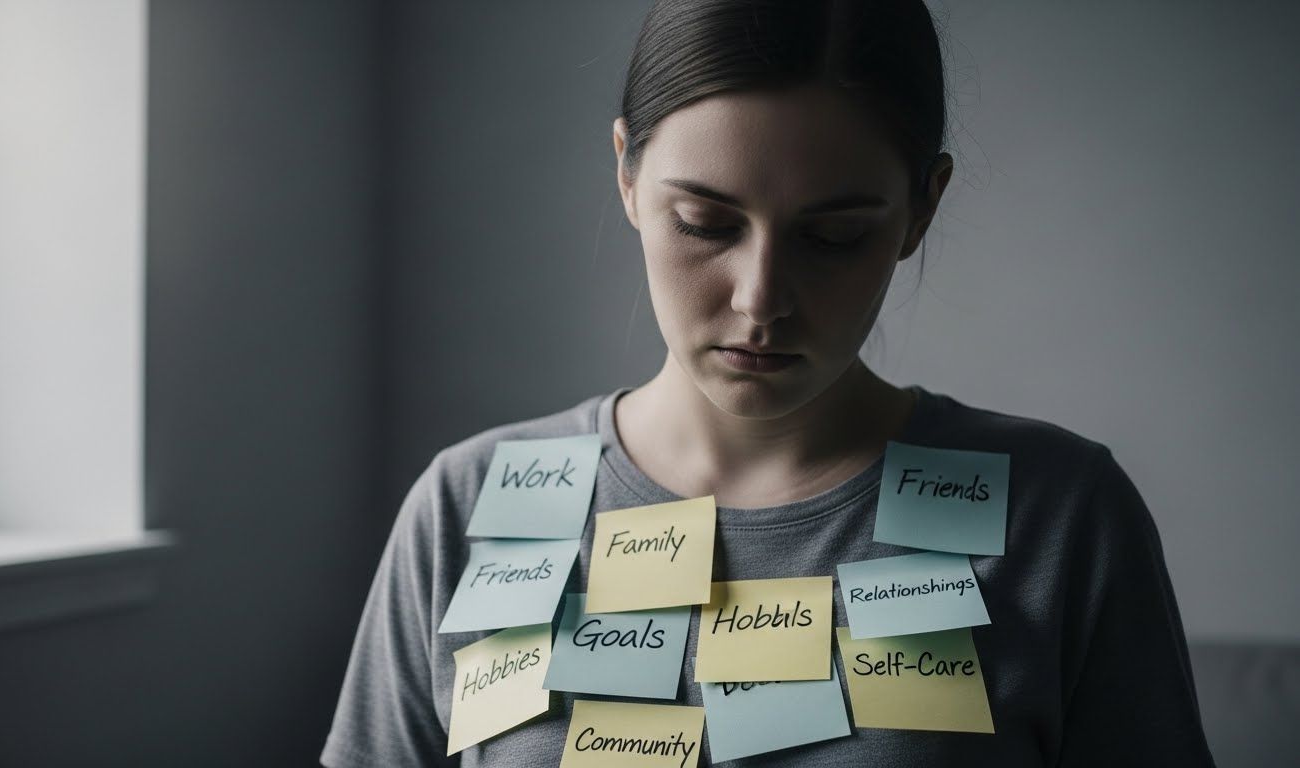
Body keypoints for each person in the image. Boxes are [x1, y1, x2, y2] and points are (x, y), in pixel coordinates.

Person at [321, 0, 1216, 765]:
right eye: (704, 223)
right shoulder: (464, 504)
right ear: (627, 176)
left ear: (920, 210)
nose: (760, 301)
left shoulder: (1061, 515)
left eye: (832, 237)